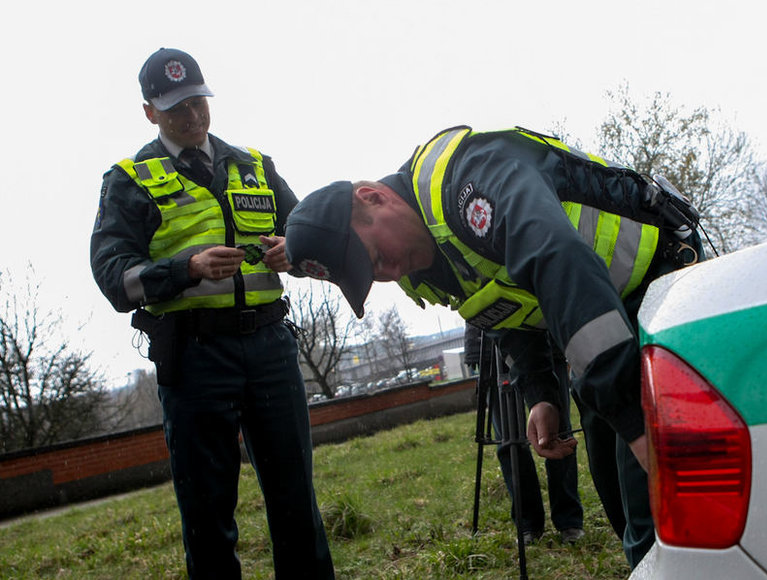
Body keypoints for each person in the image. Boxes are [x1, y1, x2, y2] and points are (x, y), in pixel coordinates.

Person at [283, 125, 704, 567]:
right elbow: (503, 310)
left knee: (651, 505)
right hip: (605, 319)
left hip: (664, 282)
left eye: (372, 257)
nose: (386, 271)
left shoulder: (472, 176)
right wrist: (540, 392)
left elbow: (556, 260)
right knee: (616, 488)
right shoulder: (419, 261)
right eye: (369, 275)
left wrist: (636, 422)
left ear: (373, 197)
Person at [90, 48, 334, 579]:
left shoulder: (254, 165)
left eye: (199, 101)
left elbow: (309, 237)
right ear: (151, 112)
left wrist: (294, 253)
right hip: (194, 357)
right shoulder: (129, 180)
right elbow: (113, 276)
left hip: (270, 346)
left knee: (295, 495)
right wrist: (186, 268)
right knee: (207, 512)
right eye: (177, 106)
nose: (193, 116)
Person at [464, 325, 584, 545]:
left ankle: (569, 521)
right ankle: (528, 523)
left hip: (542, 335)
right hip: (489, 347)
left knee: (558, 432)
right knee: (510, 441)